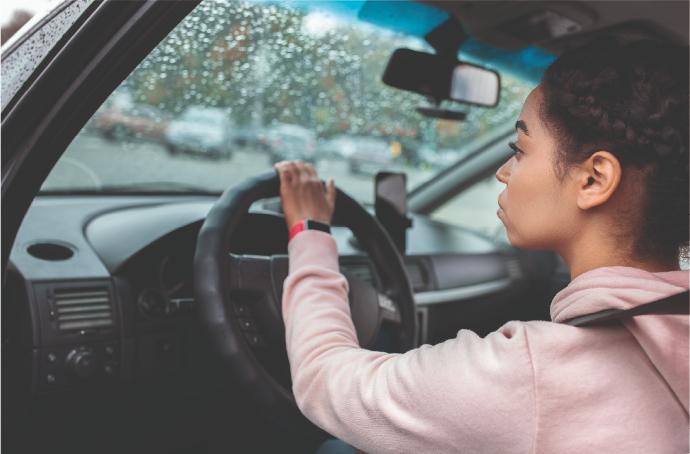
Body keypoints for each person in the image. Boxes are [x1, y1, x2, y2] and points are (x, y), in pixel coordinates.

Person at [274, 38, 689, 454]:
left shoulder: (532, 374)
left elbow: (324, 379)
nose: (503, 172)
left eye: (520, 149)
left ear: (594, 180)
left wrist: (309, 231)